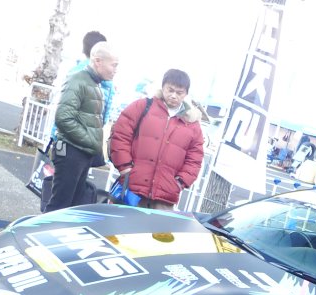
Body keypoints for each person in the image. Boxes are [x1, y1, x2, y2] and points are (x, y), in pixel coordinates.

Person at [109, 69, 204, 210]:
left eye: (179, 92)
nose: (173, 96)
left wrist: (180, 182)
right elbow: (121, 135)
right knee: (120, 229)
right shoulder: (141, 106)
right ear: (163, 87)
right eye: (170, 90)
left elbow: (195, 159)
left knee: (158, 232)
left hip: (165, 195)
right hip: (132, 186)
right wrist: (125, 167)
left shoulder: (192, 124)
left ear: (186, 94)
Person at [44, 41, 118, 212]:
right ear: (98, 61)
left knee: (72, 206)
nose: (115, 70)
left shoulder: (95, 82)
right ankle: (45, 236)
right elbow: (63, 118)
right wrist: (90, 140)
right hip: (71, 152)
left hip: (81, 152)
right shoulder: (78, 79)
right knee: (60, 205)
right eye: (113, 65)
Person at [48, 31, 115, 143]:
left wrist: (53, 137)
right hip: (91, 140)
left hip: (68, 141)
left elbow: (63, 113)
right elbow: (104, 116)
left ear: (84, 49)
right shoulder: (108, 80)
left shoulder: (75, 73)